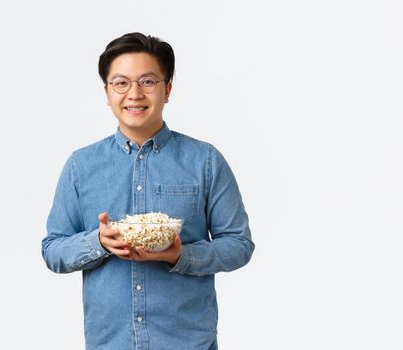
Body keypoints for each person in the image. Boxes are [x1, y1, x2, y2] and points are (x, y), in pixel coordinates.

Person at [41, 32, 255, 350]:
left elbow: (239, 244)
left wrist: (182, 255)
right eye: (121, 83)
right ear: (107, 91)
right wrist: (98, 242)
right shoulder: (81, 166)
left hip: (188, 342)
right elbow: (53, 250)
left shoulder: (205, 160)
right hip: (111, 343)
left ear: (167, 89)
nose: (135, 94)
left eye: (148, 82)